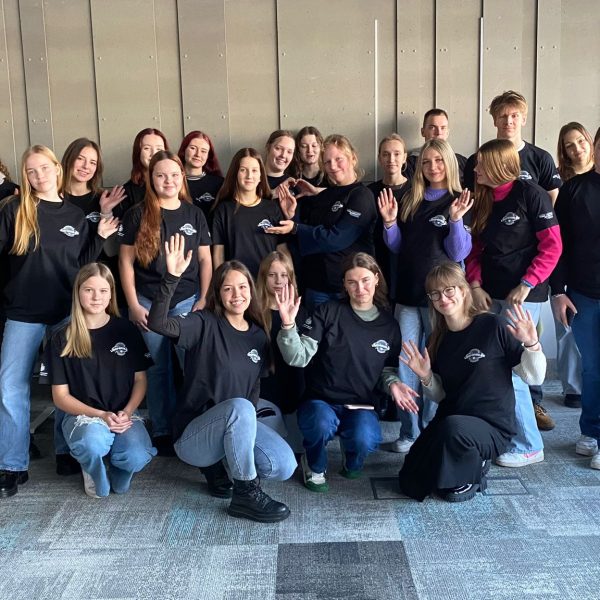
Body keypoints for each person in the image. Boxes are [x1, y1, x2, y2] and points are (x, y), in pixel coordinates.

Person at [148, 235, 296, 522]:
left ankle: (228, 463)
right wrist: (172, 278)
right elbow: (157, 323)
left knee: (283, 465)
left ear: (251, 290)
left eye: (242, 287)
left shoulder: (258, 335)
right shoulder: (203, 323)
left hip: (233, 423)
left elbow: (253, 389)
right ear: (218, 293)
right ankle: (245, 494)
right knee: (240, 407)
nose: (236, 294)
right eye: (228, 288)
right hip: (193, 437)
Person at [0, 145, 118, 498]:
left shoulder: (74, 215)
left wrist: (100, 238)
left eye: (44, 168)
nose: (39, 176)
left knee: (70, 384)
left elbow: (81, 265)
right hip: (22, 313)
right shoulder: (15, 211)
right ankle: (12, 465)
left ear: (56, 169)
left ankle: (66, 452)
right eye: (31, 171)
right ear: (26, 176)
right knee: (10, 387)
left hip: (65, 314)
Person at [398, 263, 546, 502]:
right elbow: (441, 396)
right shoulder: (437, 340)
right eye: (435, 294)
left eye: (449, 290)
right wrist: (425, 376)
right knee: (410, 480)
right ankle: (459, 461)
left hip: (492, 425)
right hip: (453, 421)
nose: (443, 298)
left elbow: (533, 377)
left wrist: (532, 344)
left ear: (463, 290)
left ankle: (476, 469)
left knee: (452, 440)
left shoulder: (493, 325)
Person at [276, 252, 413, 492]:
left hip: (361, 404)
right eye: (352, 282)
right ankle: (314, 464)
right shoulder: (328, 312)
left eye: (365, 280)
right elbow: (298, 357)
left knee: (365, 440)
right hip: (321, 400)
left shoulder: (389, 325)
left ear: (376, 279)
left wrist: (393, 383)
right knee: (319, 425)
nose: (360, 288)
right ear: (344, 285)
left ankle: (351, 455)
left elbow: (387, 369)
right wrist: (288, 325)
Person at [466, 138, 561, 466]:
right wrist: (475, 284)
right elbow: (475, 250)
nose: (475, 169)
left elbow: (552, 247)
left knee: (515, 369)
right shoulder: (484, 197)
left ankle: (530, 445)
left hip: (523, 295)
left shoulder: (531, 194)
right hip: (490, 294)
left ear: (498, 165)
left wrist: (528, 282)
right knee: (494, 366)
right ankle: (508, 434)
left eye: (481, 164)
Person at [377, 138, 472, 453]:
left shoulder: (460, 199)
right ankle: (409, 431)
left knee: (436, 362)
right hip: (407, 295)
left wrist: (455, 220)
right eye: (426, 162)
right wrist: (390, 222)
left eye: (438, 160)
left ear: (449, 163)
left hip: (441, 300)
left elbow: (458, 253)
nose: (432, 167)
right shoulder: (410, 199)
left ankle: (432, 426)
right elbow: (397, 246)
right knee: (406, 362)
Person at [119, 150, 212, 455]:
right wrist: (133, 304)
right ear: (151, 179)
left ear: (182, 177)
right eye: (160, 175)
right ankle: (162, 430)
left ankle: (195, 428)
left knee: (192, 366)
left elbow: (205, 260)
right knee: (158, 369)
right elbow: (125, 262)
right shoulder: (137, 214)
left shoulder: (194, 214)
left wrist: (204, 298)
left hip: (186, 301)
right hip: (148, 301)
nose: (168, 180)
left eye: (174, 174)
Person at [46, 263, 156, 497]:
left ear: (111, 294)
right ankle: (92, 466)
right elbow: (60, 397)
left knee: (137, 456)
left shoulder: (127, 329)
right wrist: (100, 415)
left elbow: (140, 380)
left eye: (103, 290)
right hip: (84, 416)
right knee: (92, 443)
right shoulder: (61, 336)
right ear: (78, 292)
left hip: (123, 413)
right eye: (89, 290)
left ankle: (118, 467)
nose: (96, 297)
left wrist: (127, 412)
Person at [268, 134, 377, 311]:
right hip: (316, 287)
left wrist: (295, 227)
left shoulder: (362, 196)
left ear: (353, 158)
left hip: (347, 289)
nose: (333, 166)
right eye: (327, 162)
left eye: (339, 159)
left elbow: (336, 238)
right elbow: (305, 237)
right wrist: (291, 216)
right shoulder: (323, 196)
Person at [550, 126, 600, 469]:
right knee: (592, 369)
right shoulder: (573, 189)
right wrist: (557, 291)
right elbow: (558, 246)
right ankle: (592, 431)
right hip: (584, 295)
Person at [464, 91, 562, 203]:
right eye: (503, 116)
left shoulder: (541, 158)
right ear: (495, 121)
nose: (508, 121)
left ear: (523, 120)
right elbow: (471, 198)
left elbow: (551, 196)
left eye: (514, 116)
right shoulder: (476, 160)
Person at [256, 251, 307, 451]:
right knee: (271, 449)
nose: (278, 281)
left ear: (290, 278)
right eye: (272, 275)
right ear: (263, 277)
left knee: (297, 450)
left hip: (294, 385)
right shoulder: (254, 312)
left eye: (284, 275)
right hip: (265, 387)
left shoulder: (300, 311)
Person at [211, 147, 288, 277]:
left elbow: (282, 250)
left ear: (260, 176)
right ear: (235, 174)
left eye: (254, 170)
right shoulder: (223, 210)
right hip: (237, 283)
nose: (249, 176)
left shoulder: (272, 208)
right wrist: (221, 282)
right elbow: (218, 253)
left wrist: (290, 279)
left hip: (268, 282)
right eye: (243, 170)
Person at [367, 133, 411, 297]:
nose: (391, 159)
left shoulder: (416, 191)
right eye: (386, 154)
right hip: (377, 259)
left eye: (397, 154)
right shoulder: (369, 192)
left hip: (406, 261)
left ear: (404, 157)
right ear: (379, 158)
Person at [406, 109, 468, 181]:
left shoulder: (461, 162)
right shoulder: (410, 164)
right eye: (432, 127)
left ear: (447, 133)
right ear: (423, 132)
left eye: (443, 128)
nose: (438, 132)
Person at [177, 130, 224, 224]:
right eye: (193, 148)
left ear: (208, 156)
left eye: (203, 151)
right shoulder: (172, 182)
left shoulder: (219, 184)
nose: (198, 154)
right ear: (184, 150)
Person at [122, 128, 169, 209]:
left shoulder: (175, 184)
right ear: (138, 153)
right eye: (147, 148)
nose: (153, 154)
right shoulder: (127, 192)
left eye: (159, 149)